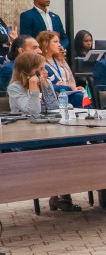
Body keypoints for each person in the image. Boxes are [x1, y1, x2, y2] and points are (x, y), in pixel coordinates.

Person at [7, 51, 82, 212]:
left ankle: (63, 194)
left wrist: (44, 87)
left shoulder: (46, 83)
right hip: (26, 137)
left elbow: (54, 107)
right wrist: (34, 88)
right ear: (29, 71)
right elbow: (32, 111)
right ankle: (57, 196)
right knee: (57, 151)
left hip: (48, 131)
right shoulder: (15, 88)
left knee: (75, 145)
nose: (46, 72)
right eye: (41, 69)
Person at [37, 30, 90, 107]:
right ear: (46, 44)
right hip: (57, 95)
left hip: (69, 92)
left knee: (85, 96)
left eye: (59, 42)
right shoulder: (41, 63)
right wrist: (67, 87)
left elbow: (71, 79)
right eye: (55, 42)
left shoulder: (60, 60)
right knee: (79, 98)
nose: (59, 45)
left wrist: (75, 88)